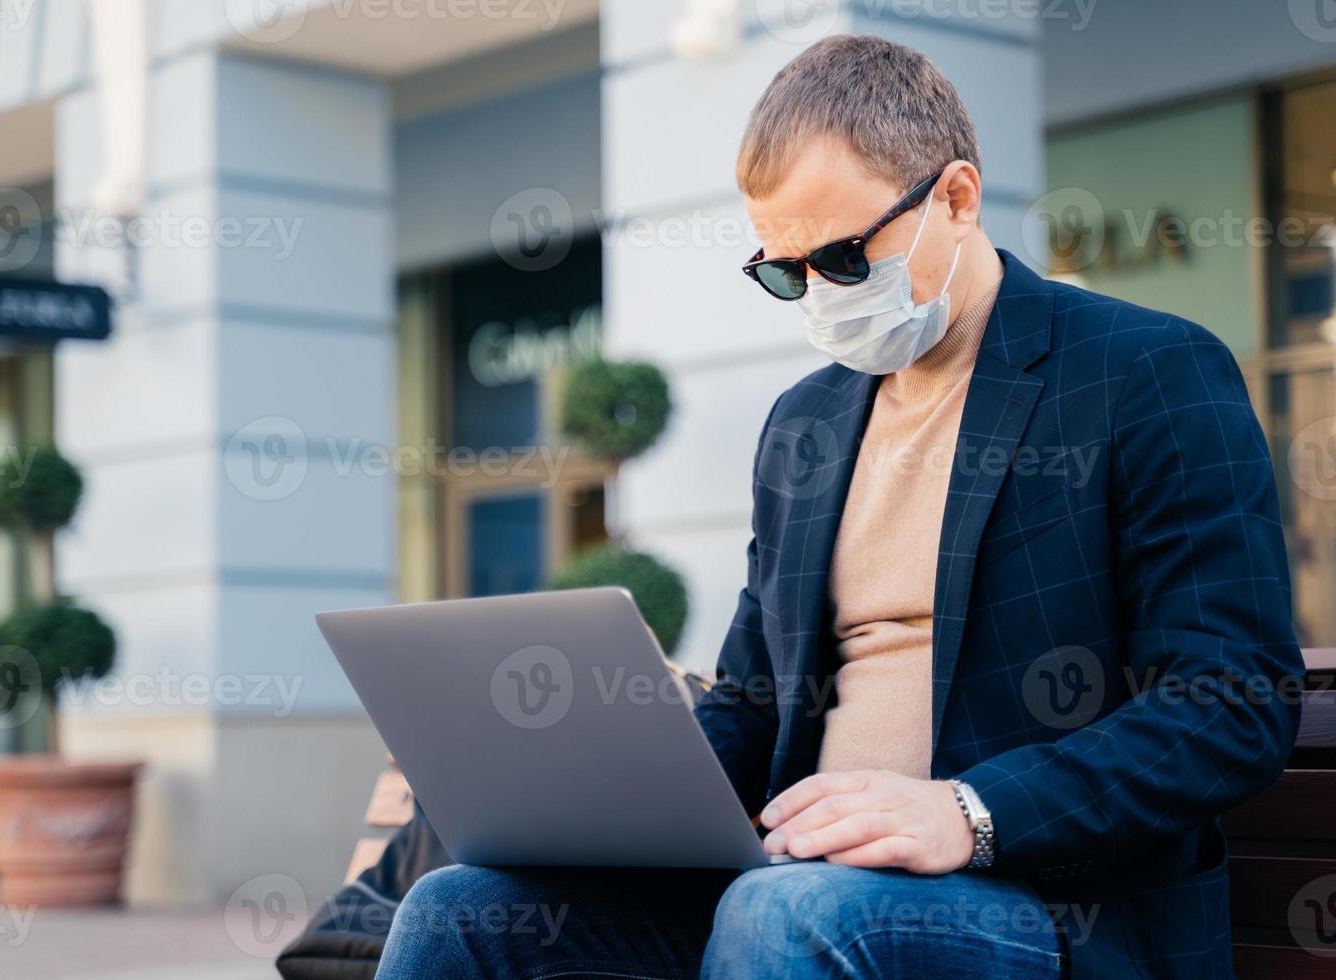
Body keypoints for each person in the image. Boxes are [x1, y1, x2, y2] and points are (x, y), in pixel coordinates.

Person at [375, 33, 1301, 979]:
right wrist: (598, 794)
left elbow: (1230, 703)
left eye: (845, 258)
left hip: (1051, 905)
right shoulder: (804, 425)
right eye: (785, 272)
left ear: (957, 197)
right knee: (458, 913)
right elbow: (750, 702)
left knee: (783, 916)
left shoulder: (1145, 371)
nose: (817, 294)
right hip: (789, 887)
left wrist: (967, 813)